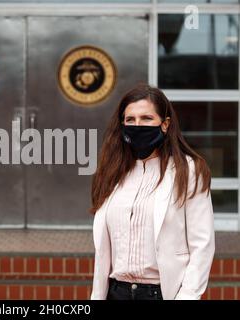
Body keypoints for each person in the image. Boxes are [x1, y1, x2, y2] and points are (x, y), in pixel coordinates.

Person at [89, 83, 215, 300]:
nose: (137, 125)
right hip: (116, 291)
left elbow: (202, 245)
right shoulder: (112, 172)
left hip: (161, 293)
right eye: (130, 120)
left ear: (165, 124)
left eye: (146, 119)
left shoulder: (189, 170)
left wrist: (186, 296)